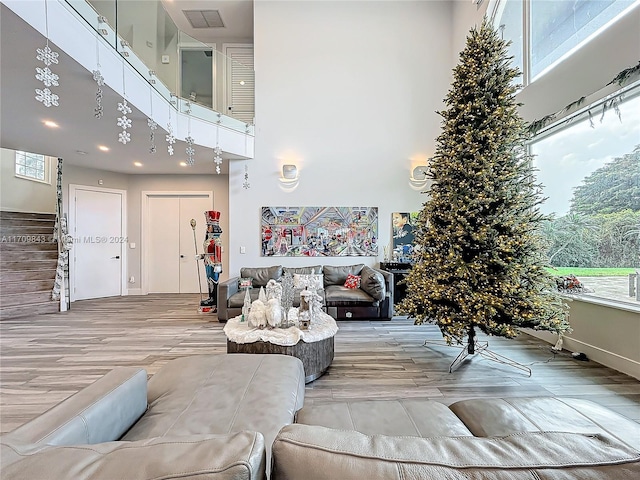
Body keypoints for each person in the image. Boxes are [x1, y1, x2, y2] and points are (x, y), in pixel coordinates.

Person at [200, 211, 223, 310]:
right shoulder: (208, 240)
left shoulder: (217, 241)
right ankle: (211, 297)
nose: (207, 228)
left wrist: (218, 265)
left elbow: (218, 254)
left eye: (209, 226)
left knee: (214, 281)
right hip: (207, 262)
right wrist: (201, 256)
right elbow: (207, 252)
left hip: (214, 263)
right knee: (209, 280)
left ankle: (214, 299)